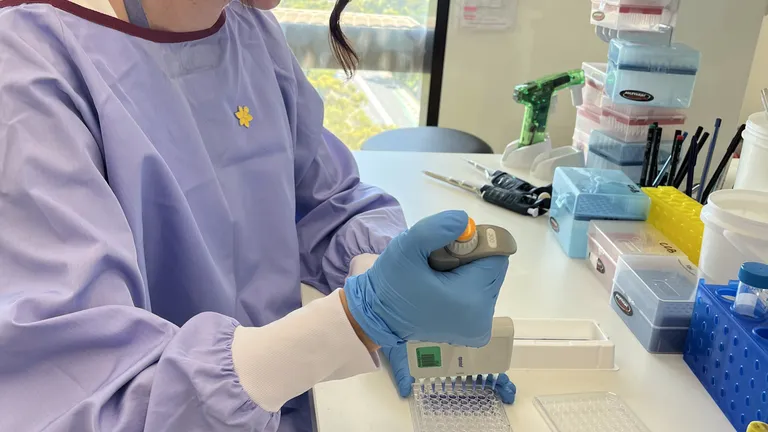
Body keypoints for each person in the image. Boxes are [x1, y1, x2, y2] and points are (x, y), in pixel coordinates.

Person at [0, 0, 515, 430]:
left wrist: (384, 277)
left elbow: (328, 202)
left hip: (282, 402)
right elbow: (82, 398)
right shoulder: (31, 71)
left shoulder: (250, 32)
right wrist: (351, 322)